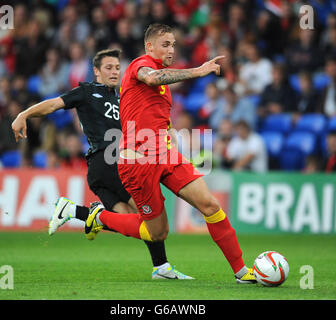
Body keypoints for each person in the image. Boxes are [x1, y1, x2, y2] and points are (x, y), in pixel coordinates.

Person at [83, 24, 256, 284]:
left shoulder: (163, 83)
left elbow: (158, 115)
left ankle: (242, 272)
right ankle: (100, 217)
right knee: (157, 232)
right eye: (165, 44)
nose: (171, 49)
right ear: (149, 46)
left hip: (165, 154)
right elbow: (151, 77)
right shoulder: (139, 66)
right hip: (138, 160)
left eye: (173, 45)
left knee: (210, 205)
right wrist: (198, 71)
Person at [11, 48, 192, 280]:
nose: (114, 72)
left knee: (131, 220)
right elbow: (53, 105)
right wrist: (23, 114)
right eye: (108, 68)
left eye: (117, 67)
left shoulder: (125, 98)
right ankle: (161, 266)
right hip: (107, 162)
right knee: (149, 218)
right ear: (96, 71)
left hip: (109, 168)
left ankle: (75, 211)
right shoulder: (87, 92)